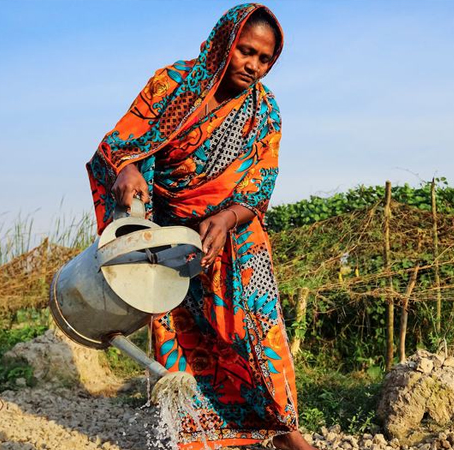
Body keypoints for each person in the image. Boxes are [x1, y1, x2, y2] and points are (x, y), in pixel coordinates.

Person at [87, 4, 316, 450]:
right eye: (245, 51)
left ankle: (285, 431)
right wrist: (129, 167)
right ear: (222, 44)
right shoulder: (171, 86)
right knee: (182, 332)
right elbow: (119, 145)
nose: (253, 65)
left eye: (264, 59)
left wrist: (228, 216)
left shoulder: (264, 112)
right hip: (167, 236)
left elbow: (259, 184)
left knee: (255, 326)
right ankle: (197, 436)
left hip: (233, 233)